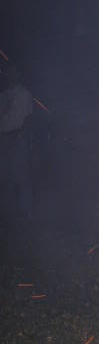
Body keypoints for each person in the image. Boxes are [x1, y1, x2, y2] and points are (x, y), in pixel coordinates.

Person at [0, 65, 33, 225]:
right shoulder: (3, 95)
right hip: (3, 139)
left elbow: (29, 120)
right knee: (4, 177)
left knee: (21, 176)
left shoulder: (24, 94)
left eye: (13, 72)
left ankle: (25, 214)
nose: (9, 75)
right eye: (7, 72)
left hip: (18, 139)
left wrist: (18, 137)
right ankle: (8, 214)